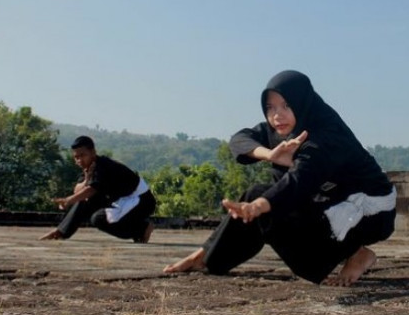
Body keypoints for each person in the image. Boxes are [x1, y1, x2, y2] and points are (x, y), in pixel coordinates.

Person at [164, 70, 396, 286]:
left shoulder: (326, 135)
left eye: (286, 105)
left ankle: (355, 251)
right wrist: (270, 154)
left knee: (303, 258)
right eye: (270, 107)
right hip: (327, 204)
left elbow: (299, 181)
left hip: (368, 215)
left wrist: (259, 205)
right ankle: (206, 256)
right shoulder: (281, 129)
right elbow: (240, 139)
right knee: (257, 199)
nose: (277, 115)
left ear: (302, 102)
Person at [39, 136, 156, 243]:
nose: (79, 160)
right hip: (121, 201)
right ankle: (61, 232)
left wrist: (68, 200)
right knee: (84, 200)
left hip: (141, 202)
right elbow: (78, 190)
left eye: (82, 155)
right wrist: (86, 179)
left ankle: (142, 229)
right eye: (76, 157)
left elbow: (91, 190)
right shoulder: (89, 169)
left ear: (93, 153)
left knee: (99, 219)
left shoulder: (102, 166)